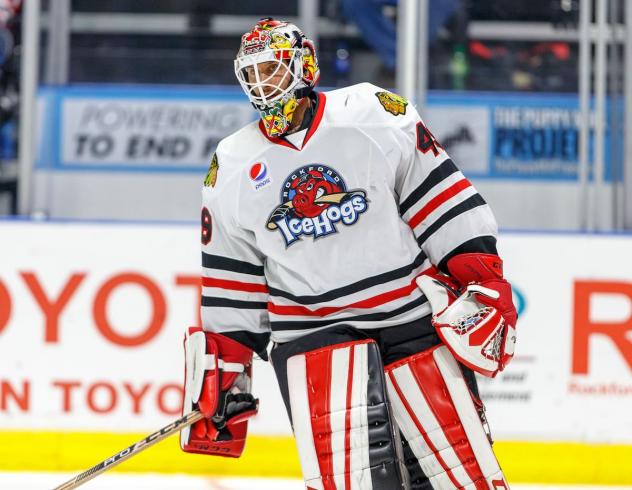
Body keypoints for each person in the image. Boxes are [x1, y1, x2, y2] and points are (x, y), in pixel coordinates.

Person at [180, 18, 517, 490]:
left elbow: (440, 200)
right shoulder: (231, 164)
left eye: (272, 70)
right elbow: (232, 277)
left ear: (305, 64)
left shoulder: (373, 112)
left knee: (457, 477)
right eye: (251, 75)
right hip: (314, 335)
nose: (262, 85)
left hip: (410, 318)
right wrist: (225, 373)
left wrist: (480, 275)